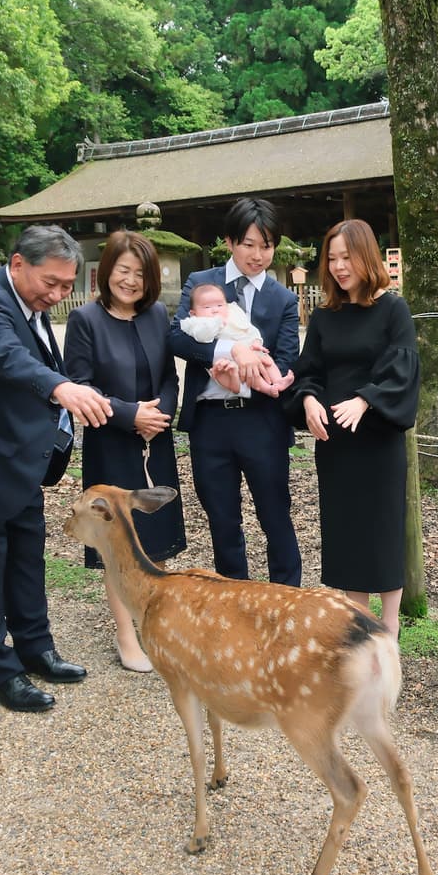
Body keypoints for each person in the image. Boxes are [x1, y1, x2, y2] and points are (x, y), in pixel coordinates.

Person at [0, 225, 113, 712]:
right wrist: (61, 388)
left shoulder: (30, 305)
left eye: (65, 285)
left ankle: (36, 649)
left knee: (27, 564)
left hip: (21, 463)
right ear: (17, 265)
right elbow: (8, 358)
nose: (56, 295)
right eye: (49, 283)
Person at [289, 219, 419, 636]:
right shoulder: (327, 316)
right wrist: (308, 399)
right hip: (336, 447)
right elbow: (308, 370)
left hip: (378, 445)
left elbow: (402, 373)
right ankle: (355, 627)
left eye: (347, 257)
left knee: (381, 533)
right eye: (332, 258)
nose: (340, 266)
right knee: (345, 536)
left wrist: (365, 399)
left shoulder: (393, 309)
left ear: (367, 256)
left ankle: (389, 627)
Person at [64, 230, 186, 673]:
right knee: (118, 543)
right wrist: (129, 414)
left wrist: (161, 414)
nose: (130, 280)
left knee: (155, 538)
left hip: (156, 439)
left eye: (139, 273)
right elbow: (80, 386)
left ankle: (154, 624)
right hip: (111, 441)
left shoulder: (156, 314)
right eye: (122, 271)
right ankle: (125, 635)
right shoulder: (85, 321)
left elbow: (170, 376)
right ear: (107, 272)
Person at [169, 198, 301, 586]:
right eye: (248, 244)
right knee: (222, 517)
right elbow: (176, 337)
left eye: (267, 245)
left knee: (275, 514)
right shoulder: (200, 284)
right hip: (210, 421)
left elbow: (286, 358)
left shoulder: (284, 300)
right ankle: (234, 599)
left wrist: (252, 374)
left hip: (263, 419)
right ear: (229, 241)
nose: (257, 255)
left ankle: (286, 600)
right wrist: (230, 350)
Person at [179, 282, 295, 396]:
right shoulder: (197, 323)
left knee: (267, 361)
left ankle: (278, 381)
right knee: (250, 374)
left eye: (220, 305)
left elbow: (249, 329)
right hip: (227, 361)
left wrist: (256, 342)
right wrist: (216, 323)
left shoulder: (233, 311)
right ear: (193, 313)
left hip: (250, 347)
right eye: (207, 307)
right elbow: (202, 336)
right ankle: (267, 388)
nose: (215, 310)